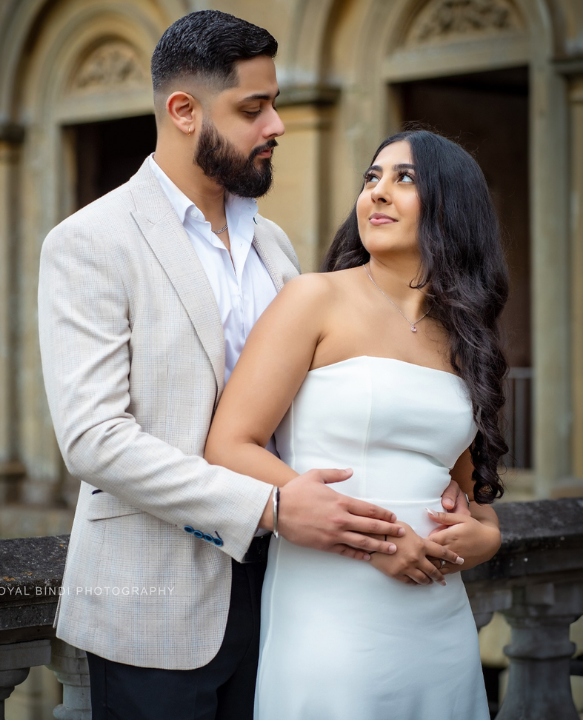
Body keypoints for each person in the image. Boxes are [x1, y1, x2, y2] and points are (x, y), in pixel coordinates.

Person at [36, 11, 465, 719]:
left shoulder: (278, 248)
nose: (277, 126)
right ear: (183, 111)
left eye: (275, 104)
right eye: (253, 109)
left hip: (293, 598)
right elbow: (93, 439)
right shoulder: (90, 242)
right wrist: (270, 505)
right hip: (156, 604)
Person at [203, 129, 505, 718]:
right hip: (331, 606)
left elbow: (474, 500)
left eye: (405, 178)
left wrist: (485, 539)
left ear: (454, 206)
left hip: (438, 615)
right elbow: (227, 446)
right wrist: (380, 544)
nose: (378, 193)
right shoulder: (313, 300)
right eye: (372, 178)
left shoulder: (468, 339)